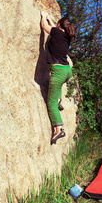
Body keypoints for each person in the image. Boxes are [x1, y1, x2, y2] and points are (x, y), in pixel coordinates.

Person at [40, 12, 75, 145]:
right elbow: (54, 29)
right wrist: (50, 18)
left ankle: (58, 129)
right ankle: (59, 99)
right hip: (67, 71)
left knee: (51, 104)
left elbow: (45, 27)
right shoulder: (65, 36)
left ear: (59, 25)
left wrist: (44, 17)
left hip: (58, 71)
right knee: (57, 87)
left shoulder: (56, 32)